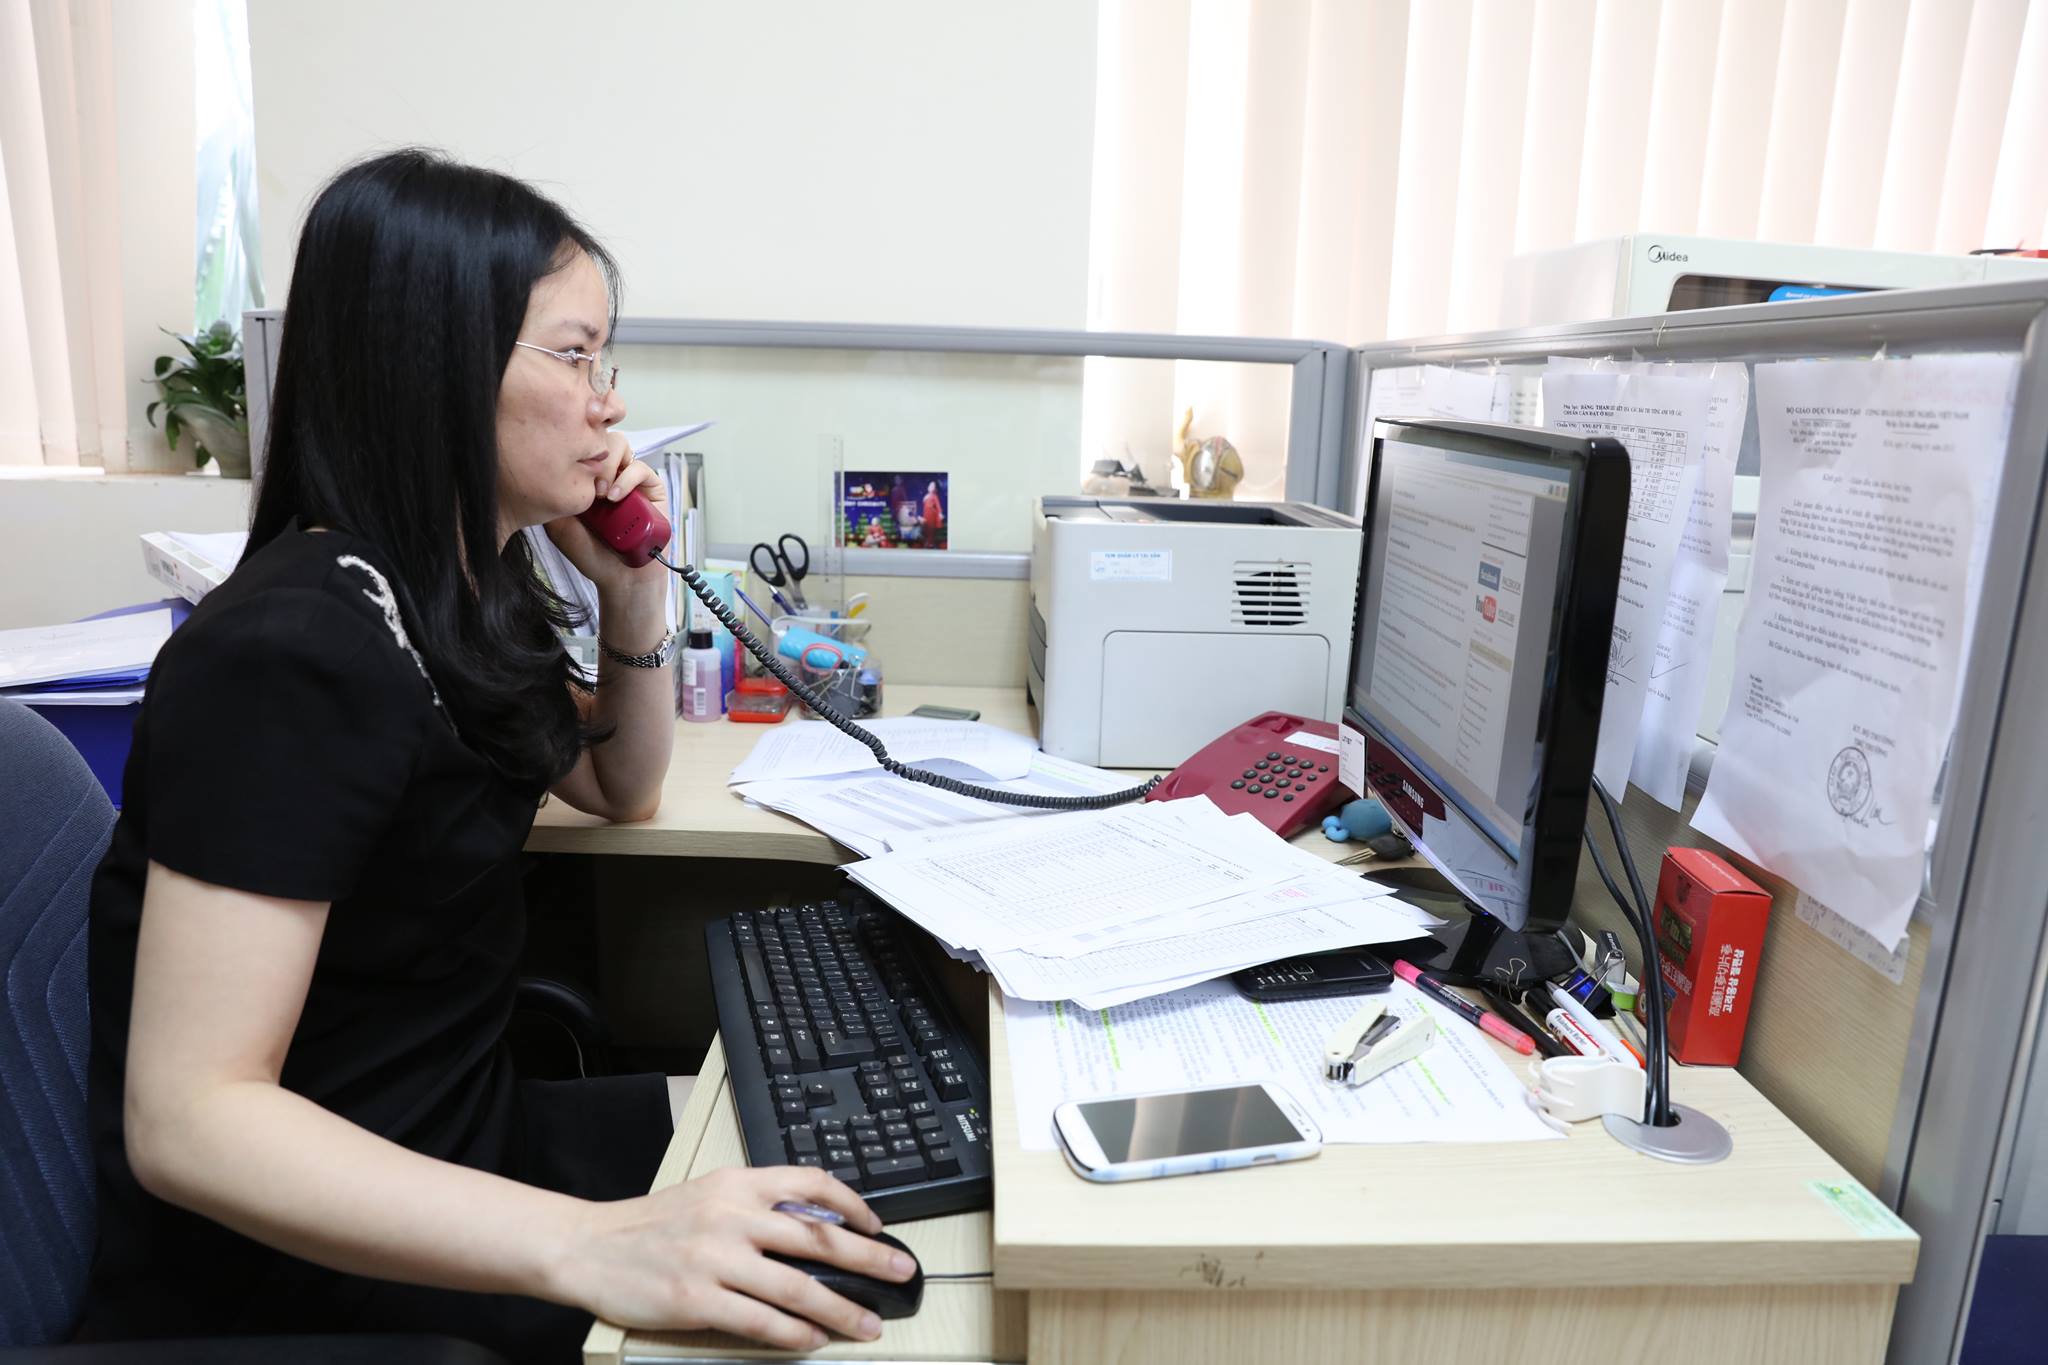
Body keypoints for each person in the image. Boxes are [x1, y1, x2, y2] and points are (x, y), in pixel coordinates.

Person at [78, 150, 911, 1363]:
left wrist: (630, 591)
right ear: (437, 365)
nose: (607, 404)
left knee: (865, 1181)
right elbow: (189, 1120)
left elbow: (618, 788)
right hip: (324, 1267)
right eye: (574, 356)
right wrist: (595, 1244)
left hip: (464, 1141)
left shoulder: (456, 592)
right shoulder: (292, 655)